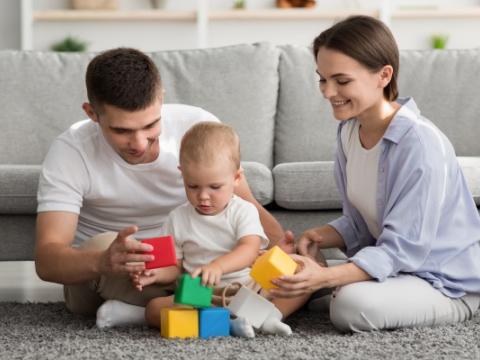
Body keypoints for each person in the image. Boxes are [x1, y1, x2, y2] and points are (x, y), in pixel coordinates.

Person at [34, 48, 287, 323]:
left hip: (193, 265)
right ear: (92, 113)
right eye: (122, 131)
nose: (140, 143)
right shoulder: (71, 151)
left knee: (273, 268)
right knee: (103, 243)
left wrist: (288, 250)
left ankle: (146, 313)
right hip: (119, 269)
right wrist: (102, 261)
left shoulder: (197, 129)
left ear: (161, 99)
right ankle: (226, 309)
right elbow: (47, 260)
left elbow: (243, 204)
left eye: (151, 125)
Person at [270, 15, 480, 332]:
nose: (328, 92)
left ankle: (340, 289)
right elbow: (361, 221)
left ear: (383, 76)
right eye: (322, 79)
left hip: (444, 281)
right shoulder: (349, 131)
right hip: (401, 270)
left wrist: (326, 277)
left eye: (341, 81)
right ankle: (339, 286)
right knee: (314, 274)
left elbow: (402, 249)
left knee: (351, 307)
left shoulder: (420, 145)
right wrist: (316, 235)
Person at [117, 121, 307, 337]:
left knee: (301, 276)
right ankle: (237, 322)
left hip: (247, 288)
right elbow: (176, 266)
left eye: (215, 187)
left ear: (236, 178)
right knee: (153, 309)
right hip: (200, 295)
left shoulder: (243, 211)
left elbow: (249, 249)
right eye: (193, 186)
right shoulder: (177, 218)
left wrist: (218, 267)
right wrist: (156, 274)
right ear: (183, 175)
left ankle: (271, 316)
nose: (203, 196)